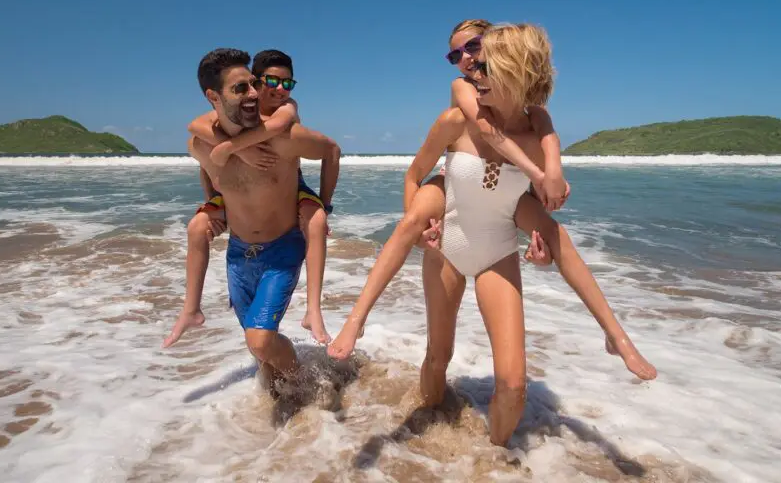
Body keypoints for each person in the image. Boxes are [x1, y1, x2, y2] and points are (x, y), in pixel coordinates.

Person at [328, 23, 656, 447]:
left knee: (515, 383)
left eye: (479, 59)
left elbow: (545, 152)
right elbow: (417, 172)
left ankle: (497, 458)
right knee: (437, 356)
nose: (470, 68)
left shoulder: (539, 128)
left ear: (511, 68)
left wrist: (547, 196)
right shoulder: (459, 117)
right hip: (448, 239)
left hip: (497, 246)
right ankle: (368, 341)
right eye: (463, 59)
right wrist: (427, 229)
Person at [164, 48, 341, 391]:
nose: (256, 94)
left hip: (281, 250)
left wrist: (324, 203)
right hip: (239, 255)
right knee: (258, 347)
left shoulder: (284, 137)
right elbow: (201, 146)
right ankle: (278, 400)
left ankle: (304, 387)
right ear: (213, 97)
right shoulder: (201, 144)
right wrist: (214, 202)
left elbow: (331, 151)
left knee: (259, 340)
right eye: (242, 89)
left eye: (252, 86)